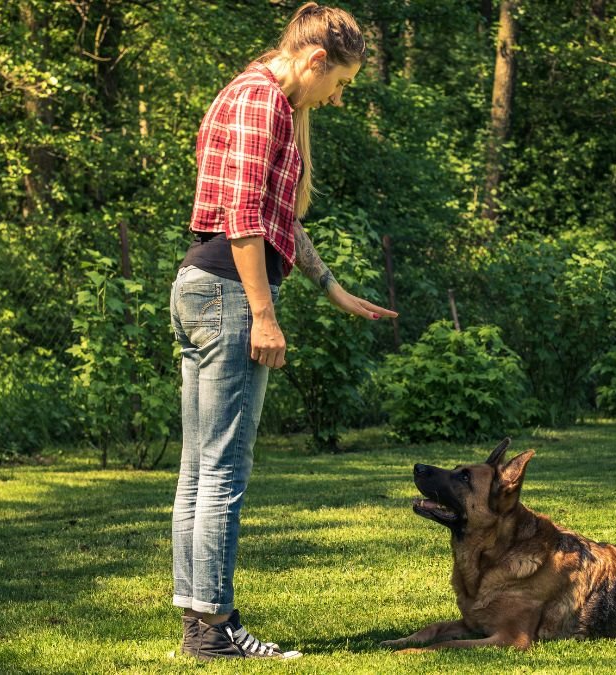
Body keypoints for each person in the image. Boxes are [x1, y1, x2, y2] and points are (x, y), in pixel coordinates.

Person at [168, 3, 397, 661]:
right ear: (317, 59)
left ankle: (200, 622)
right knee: (222, 470)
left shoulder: (270, 100)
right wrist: (264, 315)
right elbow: (242, 216)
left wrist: (331, 287)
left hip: (213, 291)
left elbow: (284, 215)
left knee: (201, 468)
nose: (338, 98)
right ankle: (215, 628)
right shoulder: (259, 99)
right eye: (342, 84)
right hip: (227, 294)